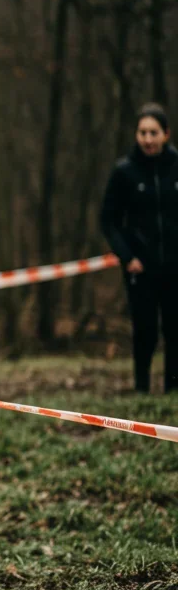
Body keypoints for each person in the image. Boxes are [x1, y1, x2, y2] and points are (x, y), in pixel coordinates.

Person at [101, 102, 178, 394]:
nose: (148, 139)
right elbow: (108, 220)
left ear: (165, 134)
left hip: (173, 266)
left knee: (174, 330)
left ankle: (172, 389)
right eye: (143, 132)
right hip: (140, 268)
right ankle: (141, 388)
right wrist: (127, 256)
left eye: (153, 132)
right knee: (145, 331)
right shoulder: (124, 172)